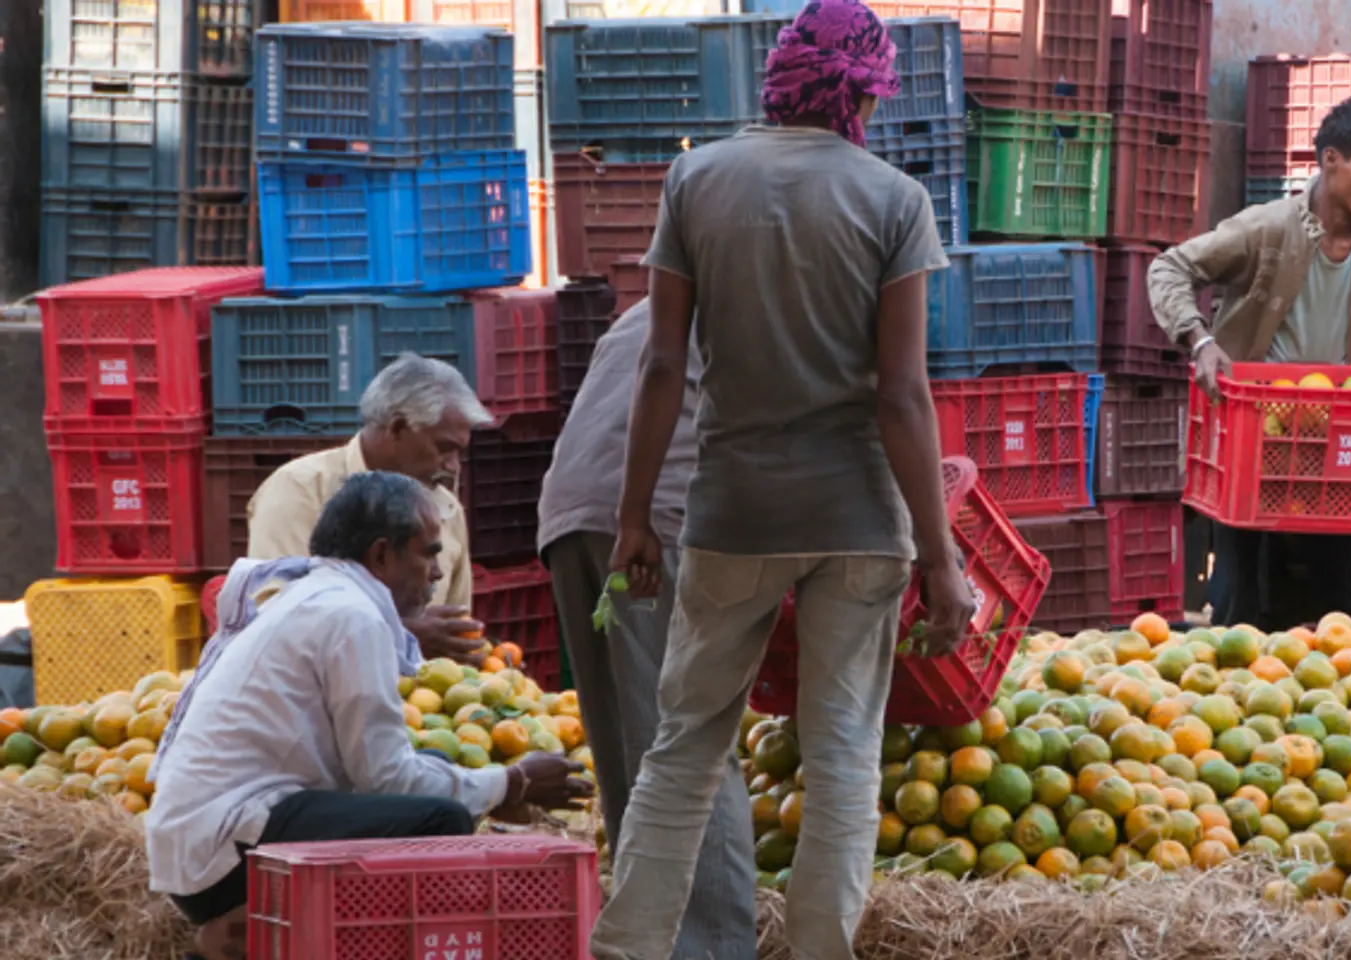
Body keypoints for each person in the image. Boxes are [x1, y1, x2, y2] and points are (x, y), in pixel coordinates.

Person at [588, 1, 974, 957]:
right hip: (856, 521)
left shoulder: (696, 180)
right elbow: (901, 396)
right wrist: (941, 556)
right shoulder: (894, 201)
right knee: (844, 754)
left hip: (731, 514)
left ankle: (629, 946)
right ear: (864, 89)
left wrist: (636, 519)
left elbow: (663, 367)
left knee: (683, 748)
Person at [147, 472, 593, 960]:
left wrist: (486, 786)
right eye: (428, 553)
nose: (438, 573)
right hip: (222, 848)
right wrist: (511, 783)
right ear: (383, 555)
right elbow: (386, 780)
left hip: (202, 841)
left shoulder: (323, 597)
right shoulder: (351, 615)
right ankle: (237, 933)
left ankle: (237, 938)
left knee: (432, 773)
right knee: (437, 819)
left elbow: (381, 769)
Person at [1148, 97, 1351, 635]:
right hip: (1255, 430)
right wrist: (1199, 340)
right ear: (1332, 160)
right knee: (1236, 604)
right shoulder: (1265, 227)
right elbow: (1169, 268)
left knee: (1345, 607)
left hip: (1344, 432)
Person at [537, 298, 757, 958]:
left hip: (573, 518)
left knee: (637, 761)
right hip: (657, 522)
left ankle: (653, 945)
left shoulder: (656, 303)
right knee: (694, 755)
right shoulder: (789, 298)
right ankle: (713, 949)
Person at [248, 353, 489, 665]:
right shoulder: (300, 489)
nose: (453, 466)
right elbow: (273, 618)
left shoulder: (445, 508)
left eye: (459, 452)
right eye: (443, 448)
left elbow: (455, 630)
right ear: (398, 428)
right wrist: (398, 633)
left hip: (421, 704)